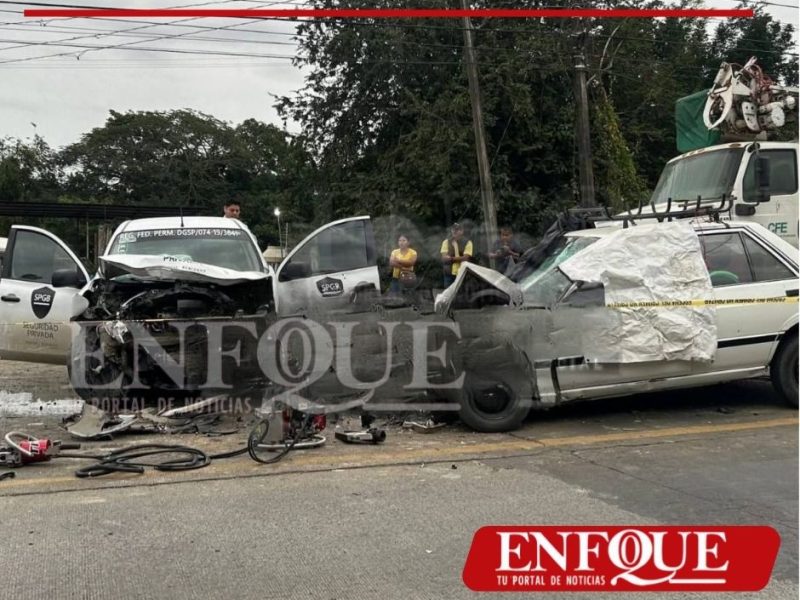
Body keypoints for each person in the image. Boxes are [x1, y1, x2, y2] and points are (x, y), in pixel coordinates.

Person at [440, 223, 473, 287]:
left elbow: (466, 258)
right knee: (448, 295)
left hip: (462, 273)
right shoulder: (446, 242)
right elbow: (443, 258)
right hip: (448, 273)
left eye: (457, 229)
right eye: (453, 229)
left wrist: (451, 258)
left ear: (462, 231)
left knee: (461, 294)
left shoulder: (468, 242)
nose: (455, 231)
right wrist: (459, 258)